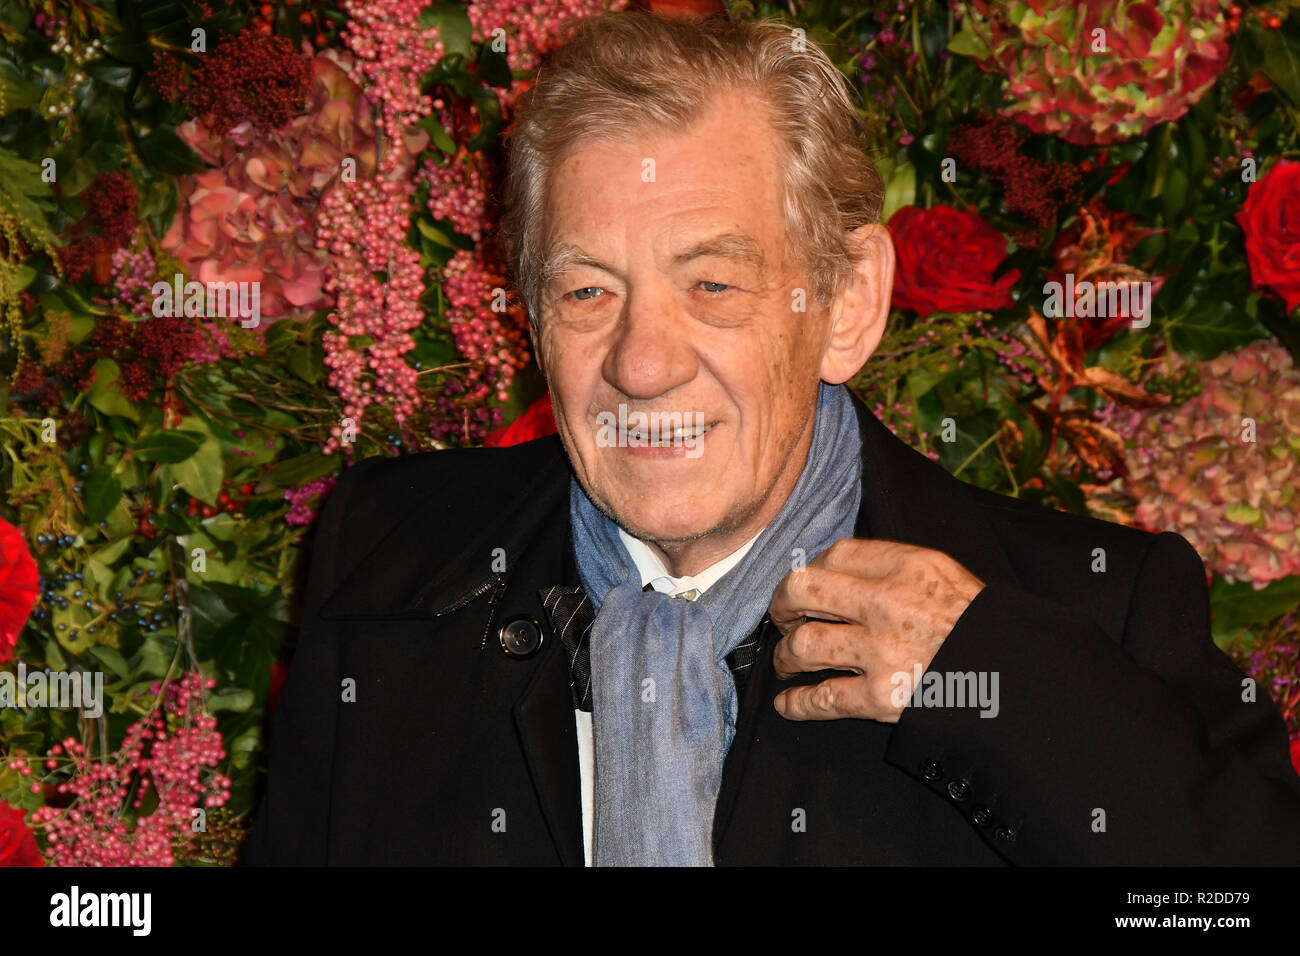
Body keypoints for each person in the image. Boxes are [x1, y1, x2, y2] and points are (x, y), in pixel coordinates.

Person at [244, 10, 1300, 866]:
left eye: (712, 283)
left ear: (844, 304)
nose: (641, 361)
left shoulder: (1089, 604)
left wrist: (999, 690)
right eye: (585, 288)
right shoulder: (387, 559)